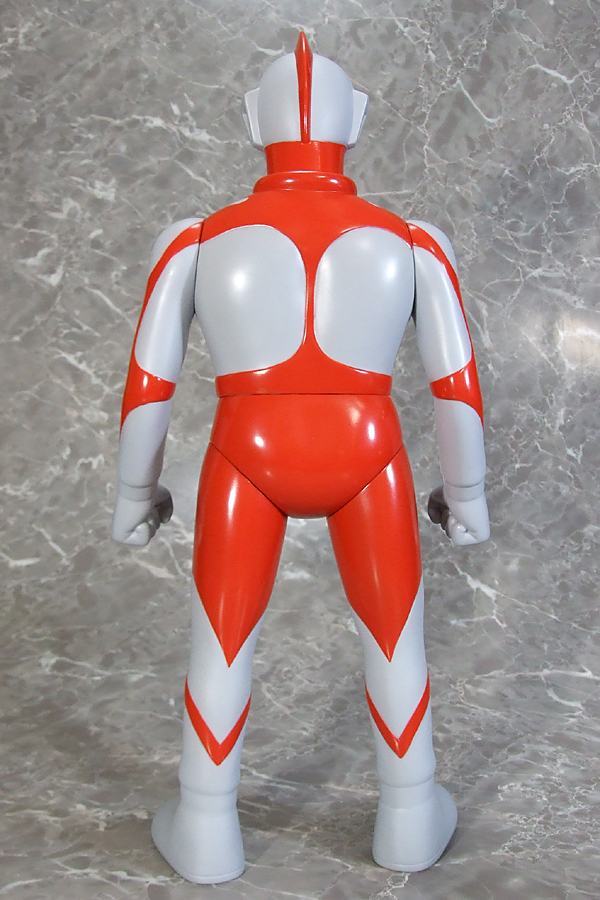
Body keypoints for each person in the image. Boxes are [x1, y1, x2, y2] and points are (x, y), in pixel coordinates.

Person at [112, 33, 490, 884]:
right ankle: (409, 811)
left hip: (248, 453)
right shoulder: (410, 242)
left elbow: (149, 386)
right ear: (357, 122)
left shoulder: (197, 241)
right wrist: (466, 495)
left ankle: (205, 821)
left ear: (254, 122)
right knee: (395, 637)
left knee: (222, 638)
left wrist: (136, 493)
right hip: (367, 453)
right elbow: (456, 387)